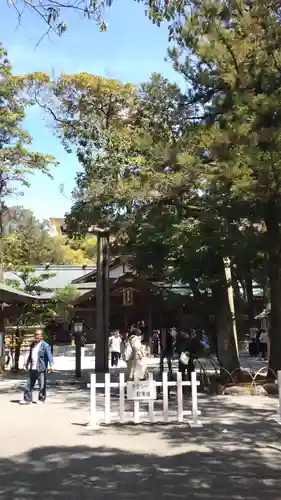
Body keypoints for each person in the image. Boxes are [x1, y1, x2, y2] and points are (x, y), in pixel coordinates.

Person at [20, 329, 54, 405]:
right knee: (28, 384)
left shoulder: (45, 345)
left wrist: (52, 365)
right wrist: (27, 363)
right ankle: (27, 399)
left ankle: (41, 399)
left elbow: (49, 356)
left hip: (41, 368)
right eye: (35, 334)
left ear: (42, 336)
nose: (36, 336)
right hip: (33, 368)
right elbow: (30, 355)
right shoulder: (33, 345)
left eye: (38, 335)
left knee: (42, 385)